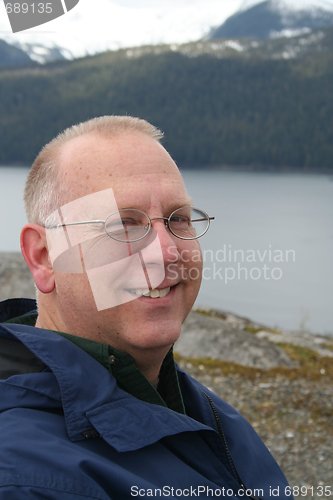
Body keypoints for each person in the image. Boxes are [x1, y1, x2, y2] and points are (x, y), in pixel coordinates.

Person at [0, 116, 292, 500]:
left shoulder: (196, 406)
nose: (167, 252)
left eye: (178, 219)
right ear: (44, 257)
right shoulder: (26, 478)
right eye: (124, 224)